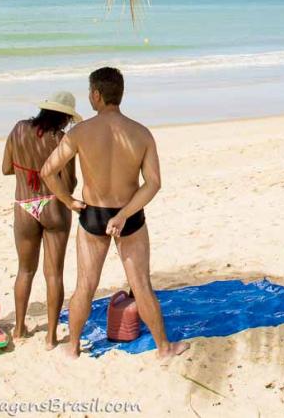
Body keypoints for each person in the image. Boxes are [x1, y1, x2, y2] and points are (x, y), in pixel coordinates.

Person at [41, 67, 189, 360]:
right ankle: (164, 348)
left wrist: (69, 200)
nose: (88, 97)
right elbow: (154, 183)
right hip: (130, 217)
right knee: (141, 284)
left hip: (92, 215)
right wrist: (123, 214)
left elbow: (47, 171)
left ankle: (72, 349)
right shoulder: (141, 133)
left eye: (89, 93)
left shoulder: (80, 133)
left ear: (96, 94)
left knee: (85, 284)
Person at [2, 92, 81, 349]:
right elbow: (69, 183)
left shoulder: (18, 129)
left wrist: (28, 171)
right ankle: (51, 338)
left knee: (25, 270)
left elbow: (5, 168)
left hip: (24, 205)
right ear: (65, 117)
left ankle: (19, 328)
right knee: (53, 273)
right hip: (54, 206)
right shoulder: (61, 139)